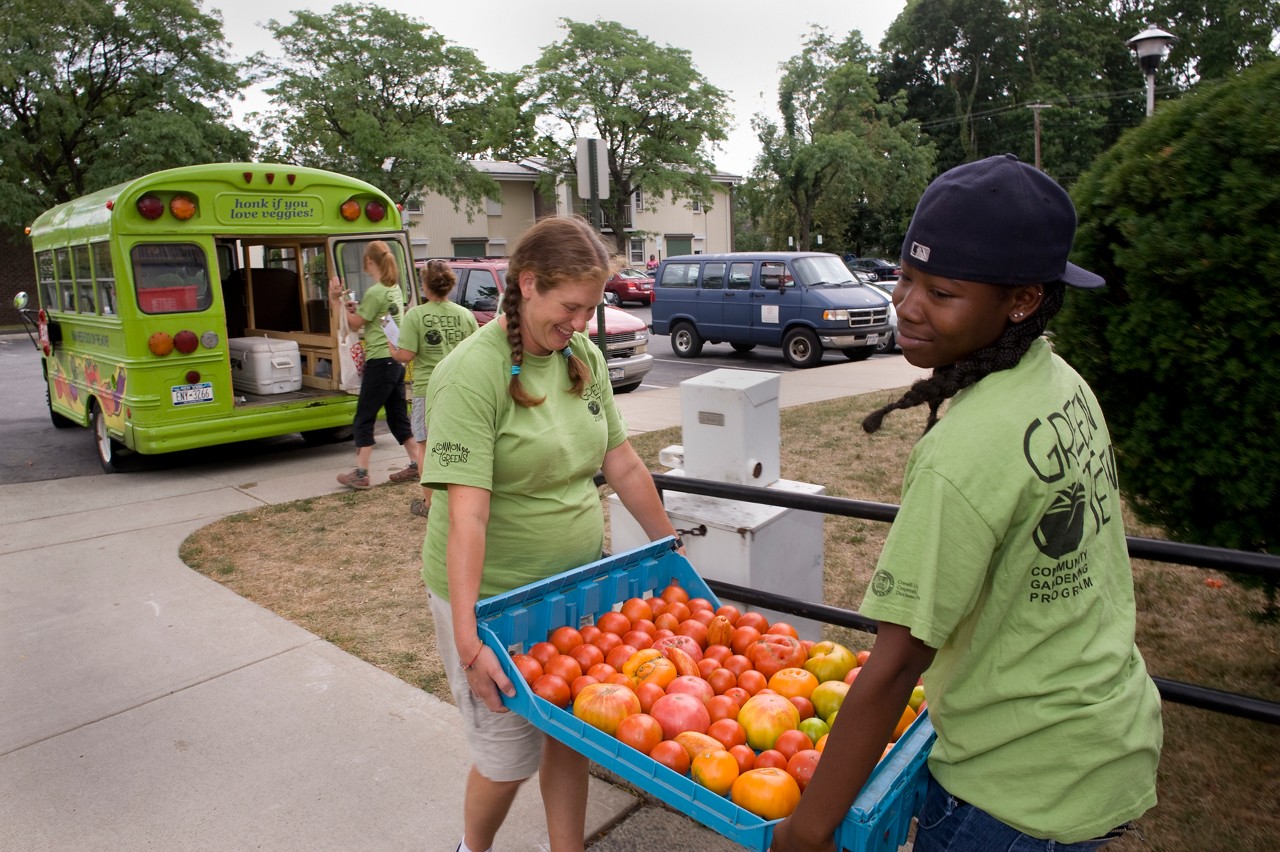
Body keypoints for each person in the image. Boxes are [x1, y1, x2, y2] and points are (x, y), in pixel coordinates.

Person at [770, 155, 1163, 852]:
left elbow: (894, 665)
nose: (907, 305)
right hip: (1102, 741)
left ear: (1022, 301)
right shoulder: (1061, 382)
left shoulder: (965, 451)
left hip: (1016, 790)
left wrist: (808, 829)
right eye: (905, 276)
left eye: (942, 292)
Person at [420, 216, 687, 852]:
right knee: (507, 755)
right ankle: (471, 849)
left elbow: (620, 460)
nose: (579, 323)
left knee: (572, 736)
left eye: (590, 309)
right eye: (570, 307)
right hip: (494, 600)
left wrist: (671, 547)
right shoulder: (470, 373)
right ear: (529, 284)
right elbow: (468, 515)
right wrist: (467, 641)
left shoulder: (580, 355)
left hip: (573, 589)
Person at [327, 240, 420, 489]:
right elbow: (374, 316)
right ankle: (418, 463)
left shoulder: (376, 291)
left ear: (369, 261)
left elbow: (356, 324)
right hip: (395, 362)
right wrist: (357, 310)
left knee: (364, 416)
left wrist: (336, 301)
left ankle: (361, 472)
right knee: (397, 416)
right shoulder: (394, 289)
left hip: (379, 361)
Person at [388, 259, 477, 517]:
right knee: (460, 443)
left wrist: (392, 349)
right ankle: (462, 497)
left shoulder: (416, 315)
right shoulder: (465, 315)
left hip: (428, 388)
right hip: (460, 387)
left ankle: (428, 503)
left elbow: (406, 355)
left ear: (425, 285)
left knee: (425, 445)